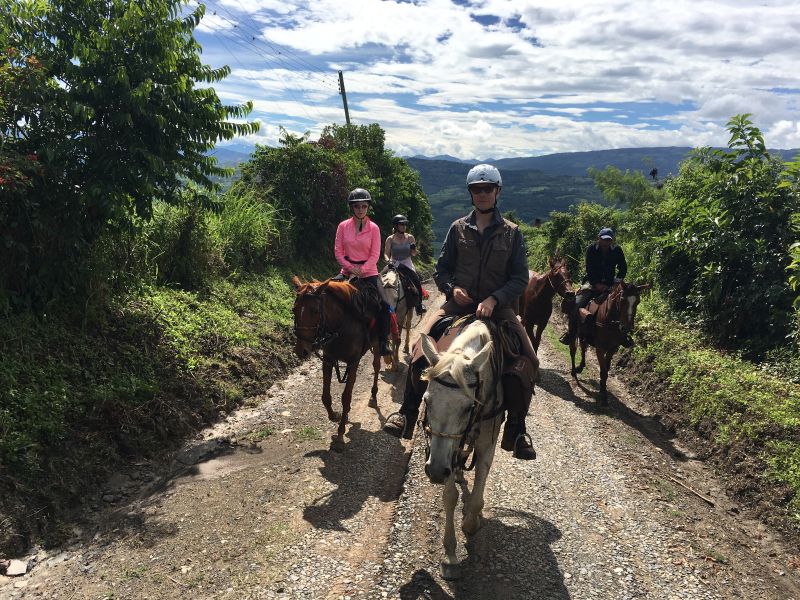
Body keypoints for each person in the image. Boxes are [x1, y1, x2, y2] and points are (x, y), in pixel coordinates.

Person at [383, 164, 539, 460]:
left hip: (499, 308)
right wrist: (452, 289)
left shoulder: (512, 234)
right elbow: (442, 270)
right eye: (477, 189)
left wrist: (495, 298)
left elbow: (519, 277)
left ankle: (517, 428)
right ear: (471, 194)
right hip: (459, 304)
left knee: (528, 359)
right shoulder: (457, 229)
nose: (482, 194)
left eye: (487, 189)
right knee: (420, 347)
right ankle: (407, 411)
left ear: (497, 192)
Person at [334, 188, 392, 357]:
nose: (360, 209)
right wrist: (351, 268)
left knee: (384, 304)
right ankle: (326, 336)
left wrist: (362, 270)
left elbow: (375, 255)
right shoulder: (342, 226)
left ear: (368, 207)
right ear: (352, 207)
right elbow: (338, 251)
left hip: (369, 273)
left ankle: (383, 341)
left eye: (364, 206)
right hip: (347, 271)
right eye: (357, 206)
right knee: (326, 297)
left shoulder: (374, 228)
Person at [559, 227, 630, 346]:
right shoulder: (592, 249)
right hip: (591, 283)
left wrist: (616, 282)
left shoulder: (617, 250)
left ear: (612, 240)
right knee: (577, 305)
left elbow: (623, 267)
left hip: (610, 284)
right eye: (604, 239)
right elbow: (589, 268)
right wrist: (596, 284)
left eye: (608, 240)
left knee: (623, 305)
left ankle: (623, 335)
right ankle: (570, 333)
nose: (606, 242)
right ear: (599, 238)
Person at [383, 214, 426, 315]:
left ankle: (419, 305)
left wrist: (413, 249)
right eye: (401, 224)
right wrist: (388, 260)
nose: (404, 226)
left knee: (416, 281)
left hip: (407, 263)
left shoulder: (410, 237)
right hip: (394, 263)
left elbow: (414, 254)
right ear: (396, 226)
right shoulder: (390, 239)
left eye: (405, 224)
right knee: (380, 280)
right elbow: (386, 253)